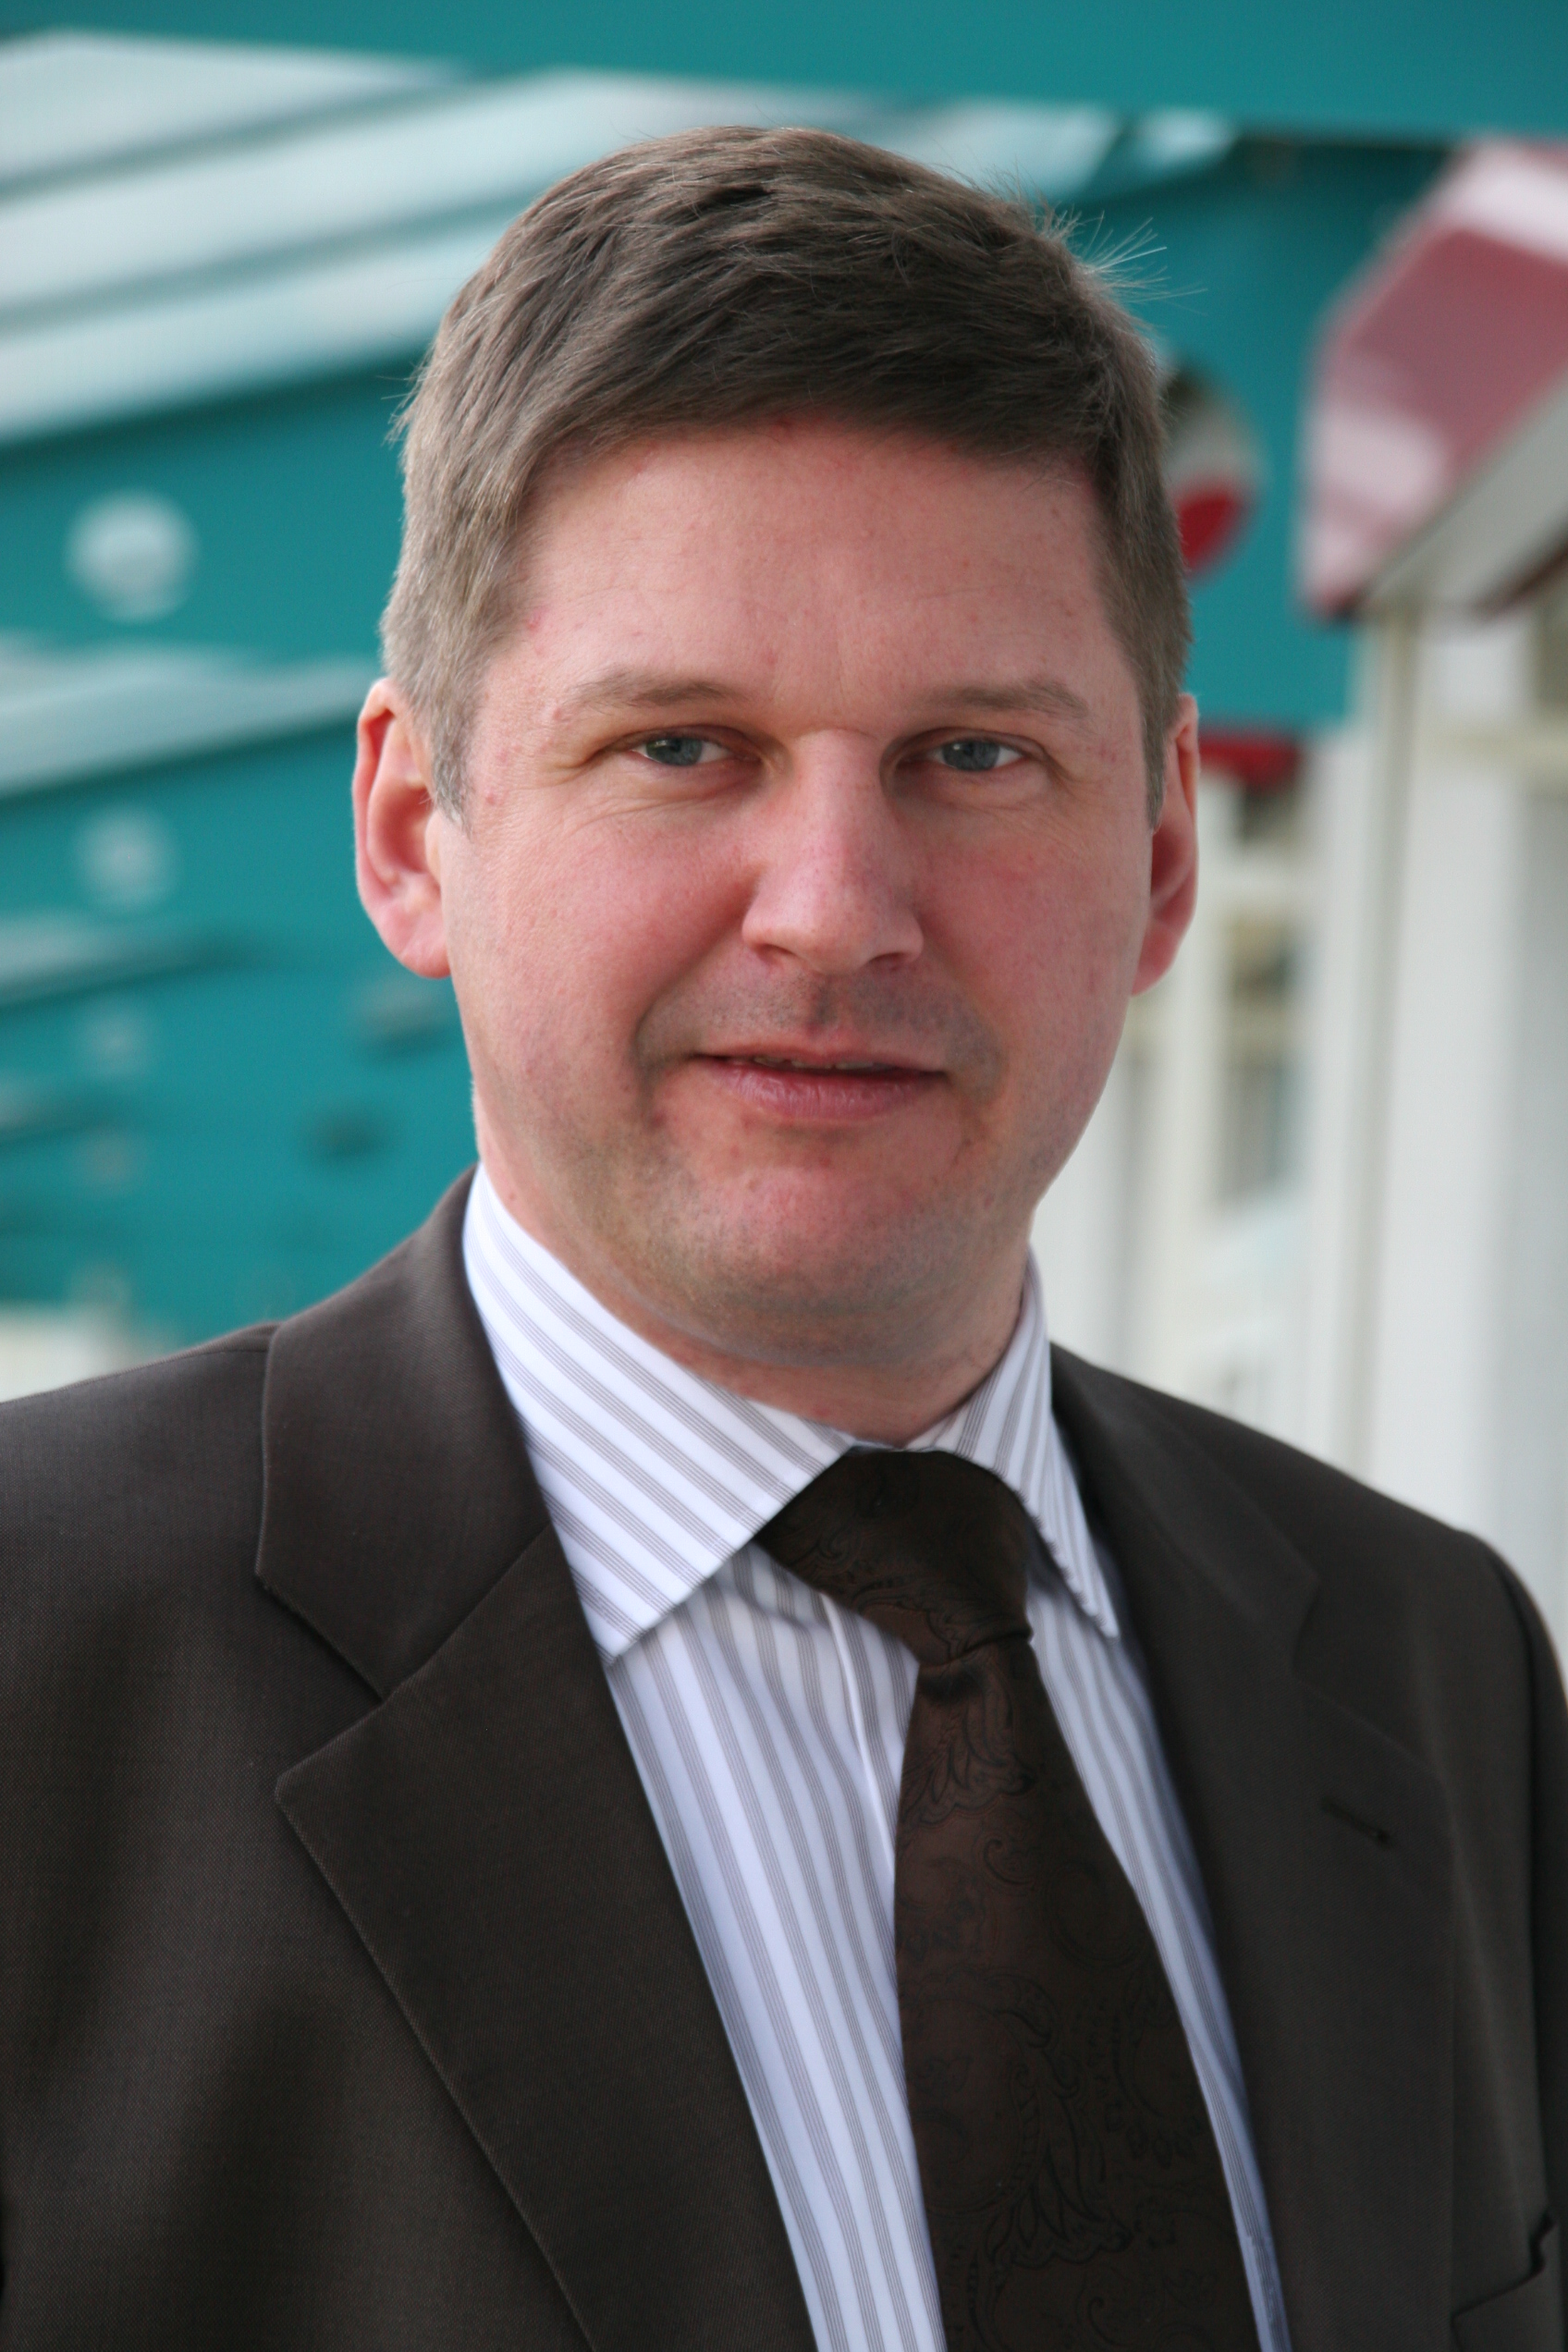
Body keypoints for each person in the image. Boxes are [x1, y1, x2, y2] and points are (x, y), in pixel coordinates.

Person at [1, 127, 1562, 2352]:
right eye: (682, 746)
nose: (834, 911)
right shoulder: (44, 1670)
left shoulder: (1425, 1662)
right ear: (416, 832)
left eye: (971, 756)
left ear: (1157, 857)